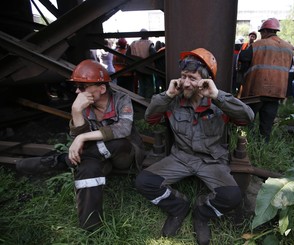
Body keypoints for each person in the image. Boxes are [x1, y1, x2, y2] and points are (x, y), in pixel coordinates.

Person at [135, 48, 254, 245]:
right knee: (144, 182)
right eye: (183, 76)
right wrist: (167, 94)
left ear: (205, 80)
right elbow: (150, 118)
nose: (186, 82)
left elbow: (247, 118)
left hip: (212, 160)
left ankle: (202, 213)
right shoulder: (173, 100)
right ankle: (178, 207)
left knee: (232, 196)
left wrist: (217, 96)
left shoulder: (219, 102)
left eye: (192, 77)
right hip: (180, 157)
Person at [16, 59, 146, 230]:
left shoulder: (122, 99)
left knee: (118, 142)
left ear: (102, 88)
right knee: (87, 168)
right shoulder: (84, 106)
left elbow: (124, 129)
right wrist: (76, 112)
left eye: (82, 87)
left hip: (124, 154)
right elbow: (78, 138)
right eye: (77, 86)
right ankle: (91, 227)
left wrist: (81, 139)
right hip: (99, 157)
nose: (77, 91)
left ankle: (61, 161)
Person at [238, 18, 294, 142]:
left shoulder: (258, 44)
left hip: (256, 91)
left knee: (248, 120)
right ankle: (263, 146)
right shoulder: (288, 48)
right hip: (276, 92)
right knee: (267, 125)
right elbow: (288, 67)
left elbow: (243, 58)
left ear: (265, 31)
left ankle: (245, 143)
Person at [128, 28, 157, 98]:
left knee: (141, 85)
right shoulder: (149, 43)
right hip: (148, 68)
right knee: (149, 86)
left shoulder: (133, 43)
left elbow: (127, 54)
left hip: (137, 68)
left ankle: (141, 100)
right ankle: (147, 102)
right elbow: (154, 54)